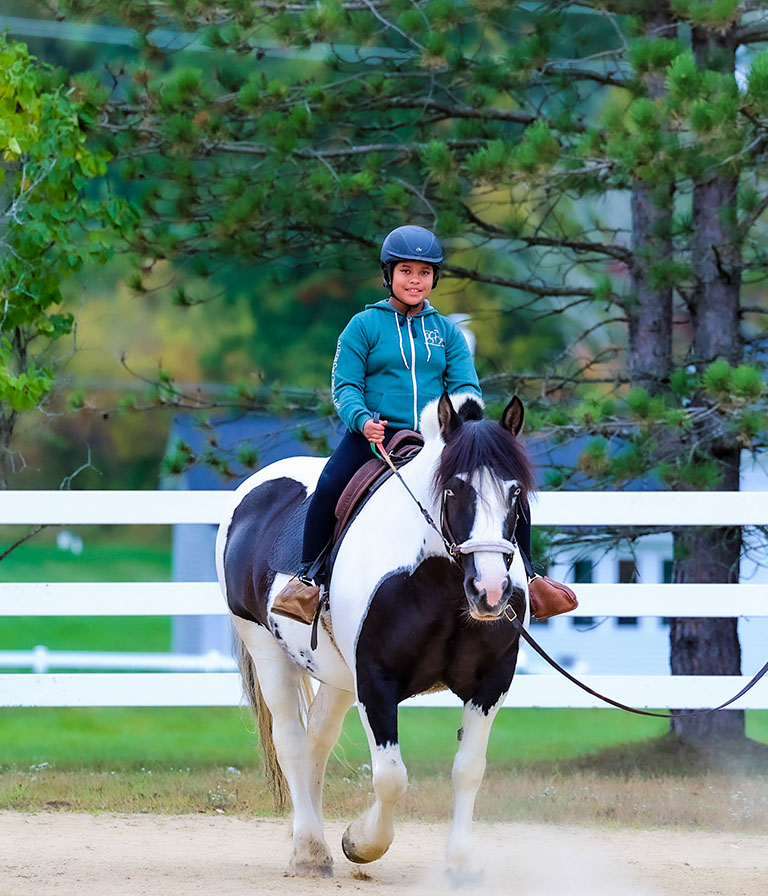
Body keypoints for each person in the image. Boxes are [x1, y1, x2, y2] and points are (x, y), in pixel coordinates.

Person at [273, 225, 574, 623]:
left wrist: (465, 421)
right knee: (330, 484)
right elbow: (345, 385)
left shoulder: (446, 333)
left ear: (434, 278)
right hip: (376, 437)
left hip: (439, 439)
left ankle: (531, 577)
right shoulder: (363, 327)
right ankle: (309, 579)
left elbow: (466, 383)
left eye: (424, 273)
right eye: (406, 271)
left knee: (504, 485)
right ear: (389, 275)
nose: (416, 281)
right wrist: (362, 421)